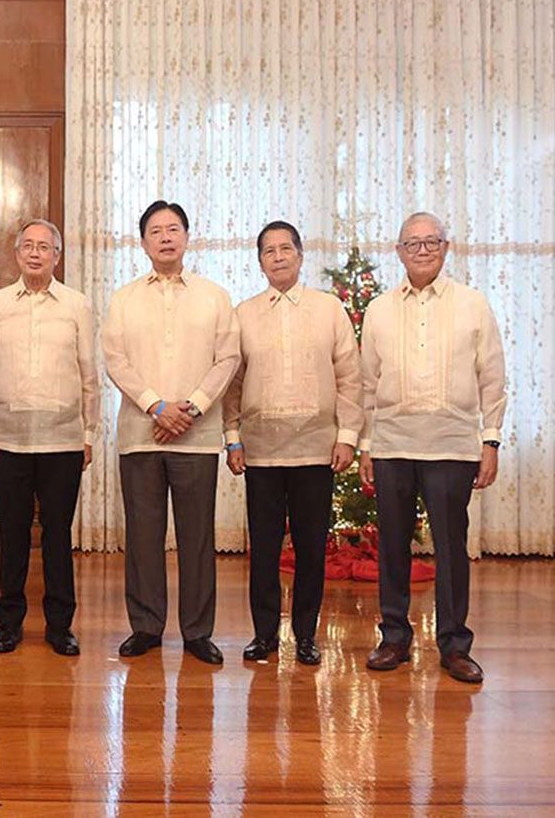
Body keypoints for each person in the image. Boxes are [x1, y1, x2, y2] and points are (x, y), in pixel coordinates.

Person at [360, 212, 506, 684]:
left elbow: (493, 377)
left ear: (446, 247)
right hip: (393, 444)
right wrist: (365, 444)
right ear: (398, 251)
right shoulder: (380, 309)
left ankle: (455, 645)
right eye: (412, 244)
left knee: (450, 547)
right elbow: (366, 384)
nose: (422, 251)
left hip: (452, 445)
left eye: (431, 242)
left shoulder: (473, 305)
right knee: (393, 547)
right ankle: (395, 637)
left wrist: (491, 440)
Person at [102, 200, 240, 665]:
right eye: (156, 230)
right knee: (143, 535)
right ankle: (145, 626)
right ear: (143, 242)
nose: (165, 237)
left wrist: (193, 408)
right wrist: (156, 406)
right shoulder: (124, 299)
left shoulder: (213, 296)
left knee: (197, 536)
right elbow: (115, 360)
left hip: (197, 437)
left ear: (187, 237)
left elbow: (228, 358)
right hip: (141, 434)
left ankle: (198, 631)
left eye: (174, 228)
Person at [222, 220, 362, 666]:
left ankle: (306, 635)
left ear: (300, 256)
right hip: (260, 451)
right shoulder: (243, 314)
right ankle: (264, 635)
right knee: (263, 548)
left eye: (286, 248)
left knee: (309, 549)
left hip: (317, 451)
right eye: (269, 250)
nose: (278, 257)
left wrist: (347, 437)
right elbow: (232, 382)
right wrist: (232, 439)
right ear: (259, 261)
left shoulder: (329, 310)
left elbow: (350, 377)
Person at [0, 219, 99, 656]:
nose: (35, 253)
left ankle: (59, 625)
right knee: (11, 534)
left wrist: (88, 433)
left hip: (63, 440)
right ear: (16, 255)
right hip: (9, 438)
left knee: (56, 534)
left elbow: (89, 374)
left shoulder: (76, 305)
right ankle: (9, 623)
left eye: (44, 247)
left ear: (57, 256)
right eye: (27, 246)